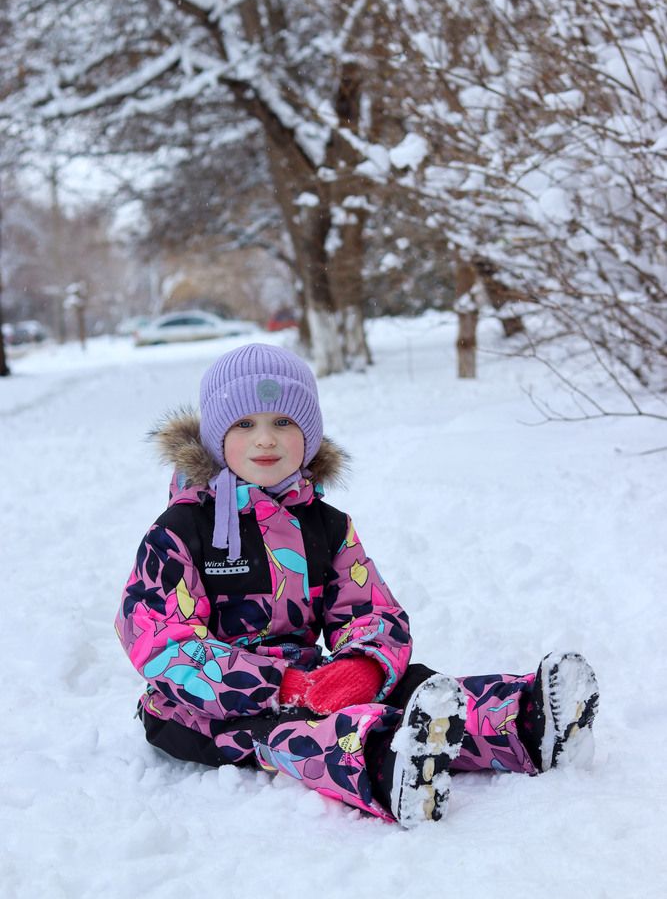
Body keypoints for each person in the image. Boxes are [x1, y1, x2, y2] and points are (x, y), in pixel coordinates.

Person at [115, 343, 599, 827]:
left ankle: (524, 722)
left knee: (410, 687)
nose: (266, 440)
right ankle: (387, 764)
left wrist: (362, 667)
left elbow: (370, 610)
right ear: (217, 438)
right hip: (201, 706)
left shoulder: (326, 525)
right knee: (289, 731)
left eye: (283, 422)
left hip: (311, 678)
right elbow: (159, 639)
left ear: (309, 434)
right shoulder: (182, 529)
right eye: (245, 425)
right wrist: (278, 685)